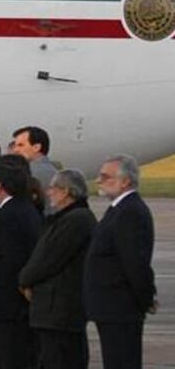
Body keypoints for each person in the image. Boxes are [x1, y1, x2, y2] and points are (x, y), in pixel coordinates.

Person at [18, 169, 96, 369]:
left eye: (53, 188)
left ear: (66, 191)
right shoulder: (68, 218)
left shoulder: (76, 220)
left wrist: (25, 279)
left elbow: (48, 259)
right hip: (56, 308)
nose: (49, 192)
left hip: (60, 309)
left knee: (59, 358)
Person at [85, 155, 157, 369]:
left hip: (120, 307)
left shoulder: (130, 212)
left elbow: (135, 263)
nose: (99, 181)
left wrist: (145, 298)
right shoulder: (119, 209)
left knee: (122, 361)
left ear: (125, 181)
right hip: (111, 306)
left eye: (105, 176)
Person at [0, 159, 41, 369]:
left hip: (6, 303)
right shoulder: (22, 208)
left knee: (10, 356)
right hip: (10, 302)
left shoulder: (9, 215)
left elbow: (12, 260)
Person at [10, 126, 58, 215]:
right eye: (15, 145)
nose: (16, 150)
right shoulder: (52, 171)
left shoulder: (32, 173)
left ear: (36, 147)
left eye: (21, 145)